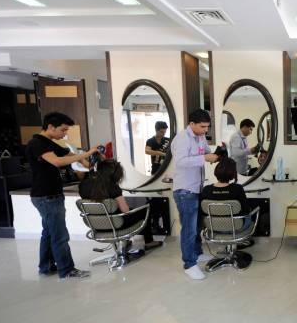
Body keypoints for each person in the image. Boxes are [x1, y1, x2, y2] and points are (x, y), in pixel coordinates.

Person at [25, 112, 101, 279]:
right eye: (63, 130)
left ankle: (46, 267)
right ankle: (67, 270)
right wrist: (86, 154)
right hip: (46, 196)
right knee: (60, 234)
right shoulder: (37, 143)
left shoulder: (49, 142)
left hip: (48, 195)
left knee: (49, 233)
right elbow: (58, 161)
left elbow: (69, 155)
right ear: (51, 127)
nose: (65, 133)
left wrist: (87, 163)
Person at [171, 109, 219, 280]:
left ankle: (197, 254)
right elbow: (180, 161)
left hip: (197, 187)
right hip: (185, 190)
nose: (205, 130)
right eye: (202, 126)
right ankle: (189, 264)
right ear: (191, 124)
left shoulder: (200, 136)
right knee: (189, 229)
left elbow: (205, 151)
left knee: (197, 226)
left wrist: (216, 152)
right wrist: (204, 158)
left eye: (207, 127)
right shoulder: (182, 139)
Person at [78, 159, 163, 250]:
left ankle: (125, 242)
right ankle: (149, 242)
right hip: (116, 225)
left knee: (125, 212)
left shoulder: (83, 185)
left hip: (96, 225)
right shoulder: (112, 186)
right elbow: (125, 211)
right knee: (145, 210)